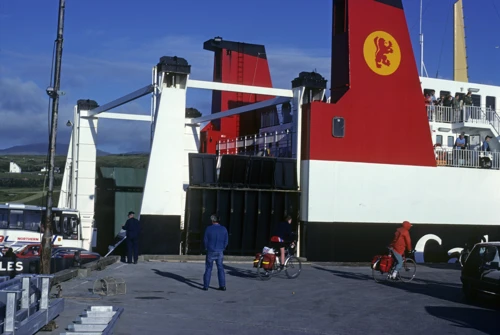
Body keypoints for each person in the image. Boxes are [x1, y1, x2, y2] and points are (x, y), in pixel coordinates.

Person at [203, 214, 228, 291]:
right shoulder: (224, 229)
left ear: (212, 220)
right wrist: (223, 248)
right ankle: (222, 286)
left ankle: (206, 286)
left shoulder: (208, 229)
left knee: (208, 268)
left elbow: (205, 240)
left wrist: (206, 248)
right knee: (220, 268)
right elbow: (226, 241)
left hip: (211, 250)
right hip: (220, 251)